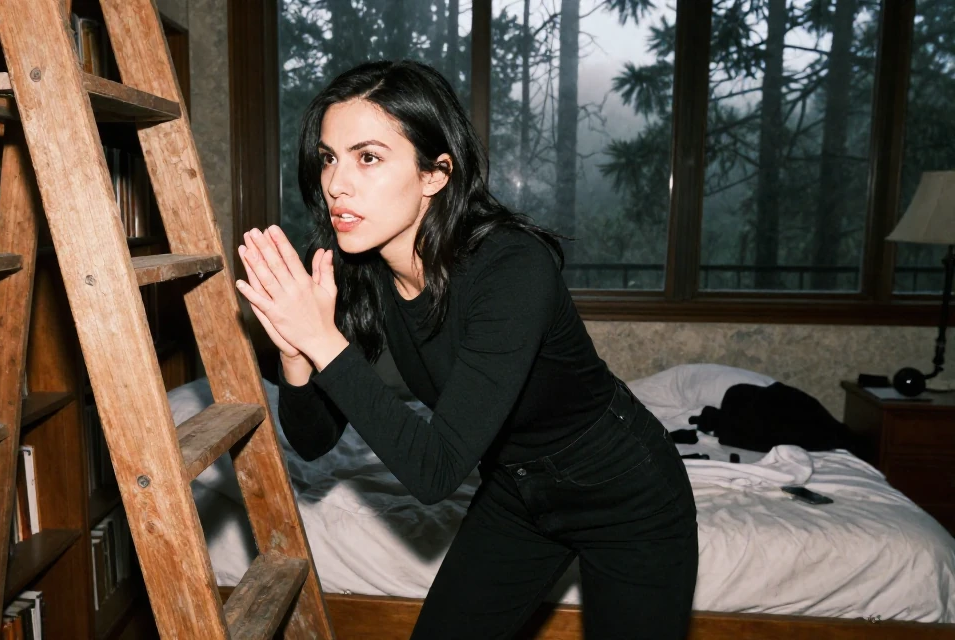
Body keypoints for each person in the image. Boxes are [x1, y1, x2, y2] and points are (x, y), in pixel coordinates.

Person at [234, 59, 697, 640]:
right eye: (329, 157)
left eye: (367, 157)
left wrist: (322, 340)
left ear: (435, 173)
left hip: (625, 493)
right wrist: (296, 354)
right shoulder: (358, 269)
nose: (336, 184)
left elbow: (435, 470)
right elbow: (312, 440)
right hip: (516, 491)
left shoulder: (512, 267)